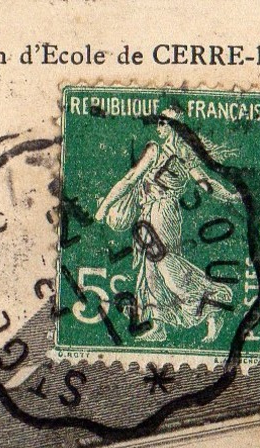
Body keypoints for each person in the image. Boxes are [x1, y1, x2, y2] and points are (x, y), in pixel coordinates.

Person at [94, 107, 236, 344]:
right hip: (153, 213)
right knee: (150, 271)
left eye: (163, 122)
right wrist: (229, 196)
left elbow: (131, 179)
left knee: (166, 267)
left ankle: (213, 303)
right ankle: (158, 325)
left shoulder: (159, 150)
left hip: (161, 213)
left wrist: (104, 208)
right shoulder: (183, 154)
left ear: (173, 126)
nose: (158, 126)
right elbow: (205, 184)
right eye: (158, 122)